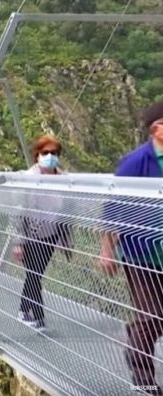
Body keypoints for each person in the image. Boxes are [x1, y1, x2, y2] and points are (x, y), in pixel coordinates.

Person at [98, 102, 163, 394]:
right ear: (156, 129)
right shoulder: (136, 162)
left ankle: (136, 335)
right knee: (152, 316)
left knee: (154, 319)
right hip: (141, 254)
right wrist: (107, 251)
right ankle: (142, 375)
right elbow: (113, 208)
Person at [12, 134, 71, 332]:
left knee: (35, 274)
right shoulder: (29, 178)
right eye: (45, 153)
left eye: (54, 153)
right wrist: (18, 242)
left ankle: (23, 310)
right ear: (37, 155)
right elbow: (18, 210)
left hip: (52, 234)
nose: (50, 156)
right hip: (32, 234)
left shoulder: (64, 179)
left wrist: (66, 238)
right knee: (34, 274)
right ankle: (38, 318)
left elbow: (66, 211)